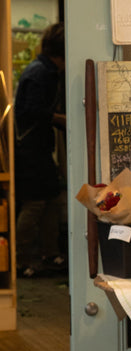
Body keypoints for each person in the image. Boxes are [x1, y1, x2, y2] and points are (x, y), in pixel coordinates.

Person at [14, 22, 67, 277]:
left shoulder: (39, 69)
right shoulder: (42, 74)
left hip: (34, 149)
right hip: (32, 151)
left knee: (51, 200)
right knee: (36, 204)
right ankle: (20, 260)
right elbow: (30, 111)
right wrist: (59, 119)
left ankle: (49, 252)